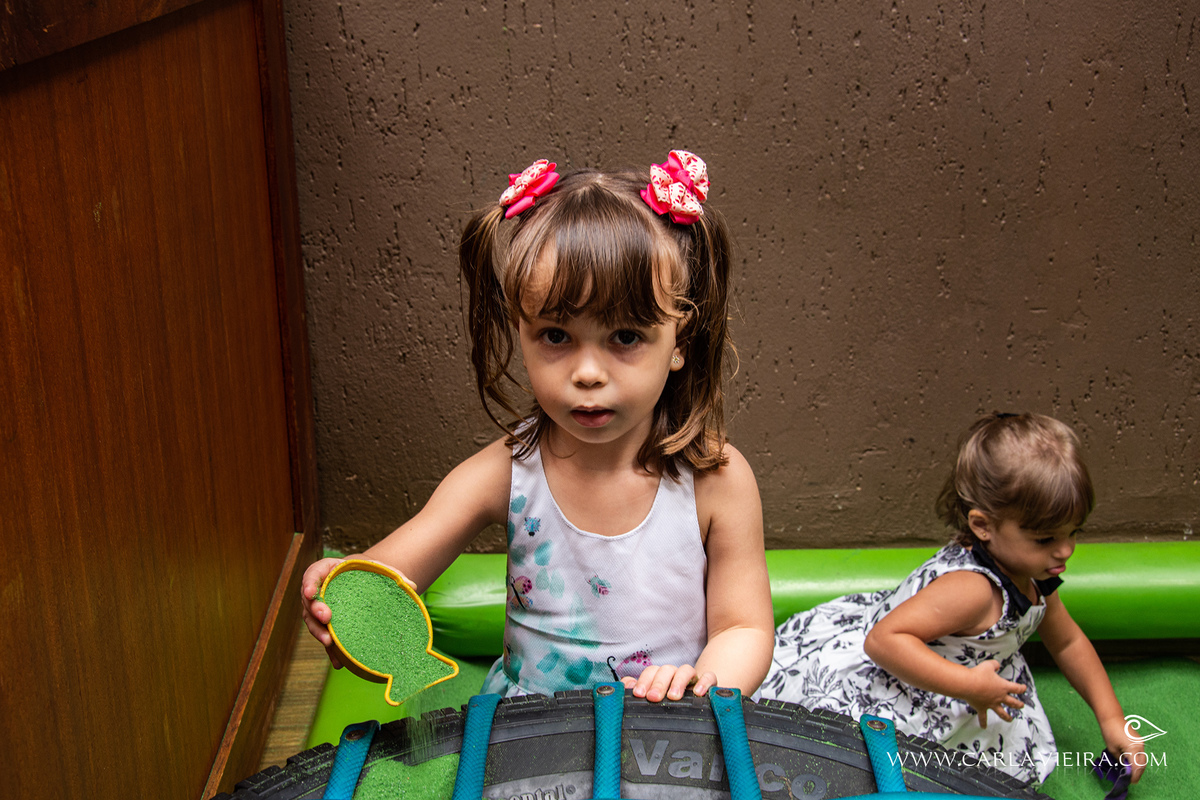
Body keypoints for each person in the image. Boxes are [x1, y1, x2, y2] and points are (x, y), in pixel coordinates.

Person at [301, 152, 775, 703]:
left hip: (669, 736)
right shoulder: (505, 472)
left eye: (625, 337)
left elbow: (743, 629)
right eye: (555, 336)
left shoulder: (714, 477)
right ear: (520, 332)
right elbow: (387, 575)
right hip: (531, 739)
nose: (588, 373)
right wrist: (343, 596)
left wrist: (704, 680)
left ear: (680, 343)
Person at [756, 412, 1145, 785]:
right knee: (866, 767)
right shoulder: (973, 589)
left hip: (969, 677)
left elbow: (1068, 641)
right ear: (983, 526)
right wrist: (968, 686)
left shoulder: (1035, 573)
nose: (1065, 552)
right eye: (1046, 539)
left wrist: (1111, 719)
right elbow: (883, 642)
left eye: (1074, 532)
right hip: (903, 679)